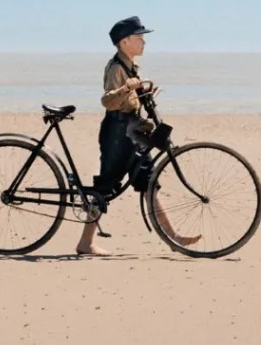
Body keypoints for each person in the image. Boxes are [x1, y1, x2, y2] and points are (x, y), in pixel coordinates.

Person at [76, 16, 201, 256]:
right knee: (105, 186)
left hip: (132, 129)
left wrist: (144, 91)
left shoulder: (131, 66)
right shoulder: (116, 67)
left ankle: (173, 238)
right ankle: (85, 243)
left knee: (148, 180)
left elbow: (131, 96)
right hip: (117, 132)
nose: (144, 43)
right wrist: (127, 88)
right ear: (124, 42)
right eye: (139, 38)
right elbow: (108, 100)